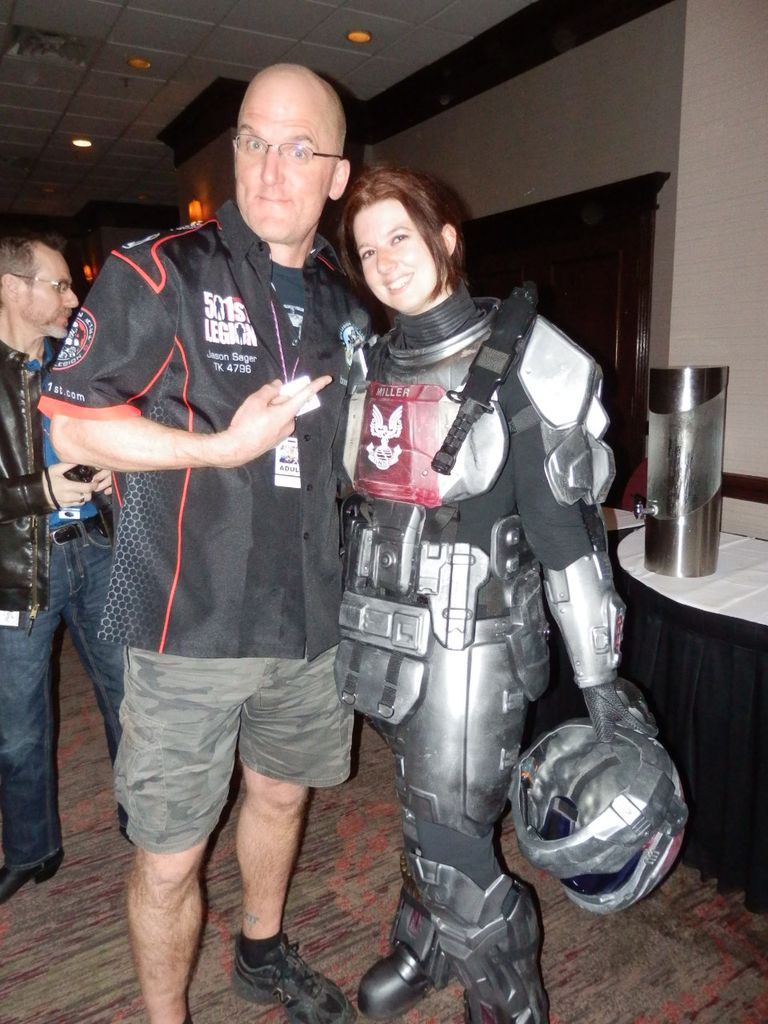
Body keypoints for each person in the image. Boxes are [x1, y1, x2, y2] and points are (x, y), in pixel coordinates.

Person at [40, 64, 368, 1024]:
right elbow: (73, 424)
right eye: (253, 142)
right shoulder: (161, 270)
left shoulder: (347, 305)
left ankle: (261, 951)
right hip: (189, 622)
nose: (269, 168)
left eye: (298, 148)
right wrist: (219, 448)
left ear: (337, 176)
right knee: (170, 854)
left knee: (281, 797)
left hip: (309, 621)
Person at [335, 166, 684, 1023]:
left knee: (454, 841)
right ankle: (425, 946)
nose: (385, 261)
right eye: (369, 250)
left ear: (446, 239)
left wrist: (601, 683)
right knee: (422, 814)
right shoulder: (370, 363)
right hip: (380, 632)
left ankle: (511, 1007)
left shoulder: (526, 356)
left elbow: (567, 540)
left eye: (400, 238)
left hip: (473, 639)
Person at [0, 232, 125, 904]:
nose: (73, 298)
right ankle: (32, 849)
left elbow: (119, 432)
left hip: (95, 549)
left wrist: (111, 467)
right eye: (58, 285)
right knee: (17, 728)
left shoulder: (77, 364)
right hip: (17, 570)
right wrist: (39, 492)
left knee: (129, 698)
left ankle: (146, 820)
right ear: (10, 287)